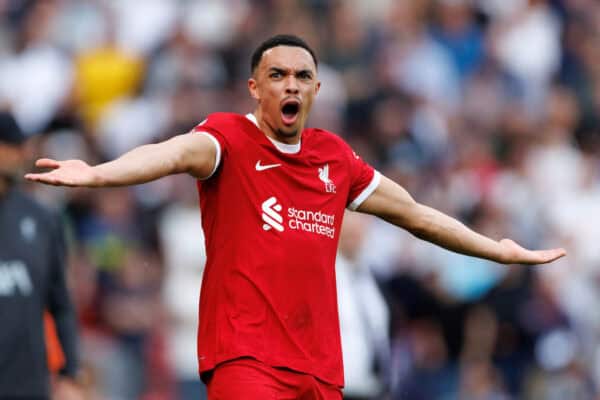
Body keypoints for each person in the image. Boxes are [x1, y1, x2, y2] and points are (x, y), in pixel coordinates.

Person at [25, 34, 565, 399]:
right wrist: (100, 173)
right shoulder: (227, 139)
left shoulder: (335, 157)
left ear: (316, 89)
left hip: (321, 369)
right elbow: (168, 154)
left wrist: (496, 249)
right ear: (255, 89)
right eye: (277, 75)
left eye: (301, 76)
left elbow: (418, 216)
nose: (290, 85)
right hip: (246, 360)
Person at [0, 110, 81, 400]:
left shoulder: (42, 218)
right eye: (10, 146)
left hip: (28, 384)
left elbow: (61, 302)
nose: (20, 154)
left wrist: (70, 374)